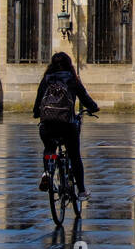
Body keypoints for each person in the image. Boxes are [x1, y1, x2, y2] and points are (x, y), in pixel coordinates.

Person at [33, 52, 99, 203]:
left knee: (49, 149)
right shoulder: (72, 80)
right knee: (74, 156)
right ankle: (81, 191)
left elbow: (38, 102)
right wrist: (93, 108)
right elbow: (85, 98)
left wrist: (37, 113)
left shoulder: (46, 80)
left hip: (47, 125)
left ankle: (47, 174)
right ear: (69, 64)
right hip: (67, 125)